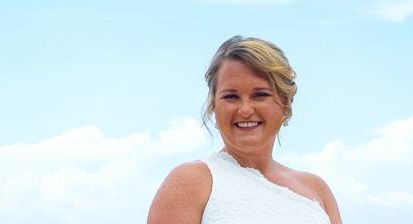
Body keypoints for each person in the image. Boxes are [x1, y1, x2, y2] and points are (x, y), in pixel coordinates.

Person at [147, 36, 343, 224]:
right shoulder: (191, 182)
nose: (246, 109)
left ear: (285, 104)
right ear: (214, 106)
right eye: (231, 97)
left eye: (260, 95)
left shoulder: (317, 191)